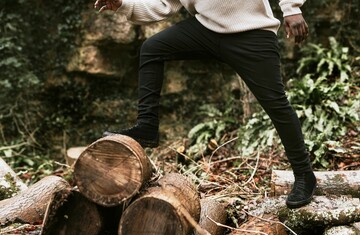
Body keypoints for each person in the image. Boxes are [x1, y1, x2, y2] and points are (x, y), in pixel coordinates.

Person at [93, 0, 317, 209]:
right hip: (205, 30)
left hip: (252, 32)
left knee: (277, 106)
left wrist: (292, 8)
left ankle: (304, 175)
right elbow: (162, 5)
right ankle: (147, 127)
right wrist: (123, 4)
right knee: (152, 48)